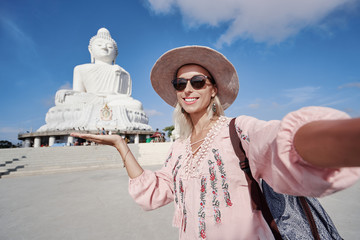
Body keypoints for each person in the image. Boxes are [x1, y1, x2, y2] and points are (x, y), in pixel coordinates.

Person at [71, 45, 360, 239]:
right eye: (180, 84)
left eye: (198, 82)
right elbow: (156, 191)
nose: (187, 89)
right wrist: (122, 145)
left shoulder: (239, 130)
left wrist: (348, 138)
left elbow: (281, 144)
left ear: (213, 90)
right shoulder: (179, 148)